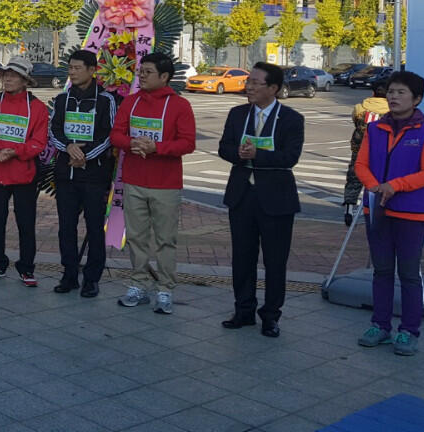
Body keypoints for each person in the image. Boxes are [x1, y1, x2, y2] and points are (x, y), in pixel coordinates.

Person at [355, 71, 424, 357]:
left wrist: (395, 186)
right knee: (381, 271)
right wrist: (375, 187)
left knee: (409, 274)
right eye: (391, 91)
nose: (393, 96)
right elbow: (361, 165)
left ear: (416, 99)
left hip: (411, 215)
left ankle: (409, 331)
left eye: (401, 92)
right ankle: (380, 326)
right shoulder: (374, 129)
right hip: (377, 210)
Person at [217, 63, 305, 338]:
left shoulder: (291, 119)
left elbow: (290, 157)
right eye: (249, 82)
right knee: (242, 257)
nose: (249, 87)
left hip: (276, 199)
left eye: (256, 83)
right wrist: (238, 153)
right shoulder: (238, 114)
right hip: (242, 196)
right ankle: (243, 310)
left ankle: (271, 315)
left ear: (273, 88)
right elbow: (224, 147)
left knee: (275, 261)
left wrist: (258, 155)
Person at [110, 52, 196, 314]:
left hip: (166, 184)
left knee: (165, 240)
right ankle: (139, 285)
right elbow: (116, 135)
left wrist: (156, 147)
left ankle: (165, 289)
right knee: (136, 237)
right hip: (134, 180)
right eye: (141, 71)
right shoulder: (131, 102)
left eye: (148, 72)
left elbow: (187, 143)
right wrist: (132, 143)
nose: (142, 76)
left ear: (165, 76)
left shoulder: (179, 105)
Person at [49, 49, 118, 298]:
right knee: (66, 227)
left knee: (94, 227)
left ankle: (92, 278)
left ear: (92, 70)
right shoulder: (62, 99)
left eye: (77, 68)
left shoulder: (106, 100)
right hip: (65, 174)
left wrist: (85, 156)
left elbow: (109, 135)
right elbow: (54, 130)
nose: (72, 72)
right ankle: (69, 275)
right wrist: (69, 148)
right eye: (70, 68)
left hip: (94, 176)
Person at [0, 57, 49, 288]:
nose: (8, 79)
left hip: (24, 175)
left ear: (25, 81)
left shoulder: (37, 108)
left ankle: (26, 267)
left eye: (14, 76)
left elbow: (39, 141)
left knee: (26, 223)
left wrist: (15, 152)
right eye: (5, 75)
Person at [343, 81, 389, 225]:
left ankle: (349, 208)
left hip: (359, 148)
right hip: (381, 151)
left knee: (354, 177)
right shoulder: (390, 110)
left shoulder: (360, 108)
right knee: (379, 178)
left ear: (373, 92)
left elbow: (355, 121)